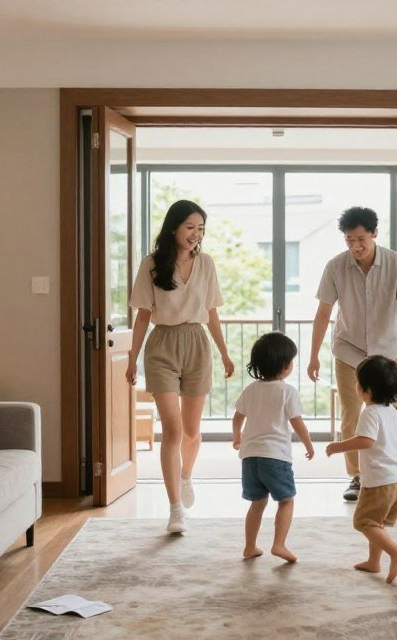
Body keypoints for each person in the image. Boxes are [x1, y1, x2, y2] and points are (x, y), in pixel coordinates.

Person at [127, 200, 235, 534]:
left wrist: (225, 353)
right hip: (161, 347)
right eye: (190, 227)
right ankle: (175, 509)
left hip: (197, 344)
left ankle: (186, 475)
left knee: (191, 431)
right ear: (174, 227)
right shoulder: (151, 264)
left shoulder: (206, 264)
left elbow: (212, 313)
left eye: (200, 228)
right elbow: (143, 314)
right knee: (172, 431)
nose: (196, 234)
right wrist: (132, 358)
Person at [307, 206, 397, 502]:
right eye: (349, 240)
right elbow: (323, 312)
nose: (355, 246)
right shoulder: (336, 266)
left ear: (374, 234)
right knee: (351, 413)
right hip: (349, 350)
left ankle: (388, 472)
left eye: (360, 240)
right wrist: (314, 355)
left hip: (384, 353)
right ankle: (357, 477)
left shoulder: (396, 264)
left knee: (385, 413)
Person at [325, 355, 397, 584]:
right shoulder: (391, 411)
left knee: (363, 522)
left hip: (380, 482)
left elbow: (366, 441)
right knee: (377, 523)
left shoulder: (369, 413)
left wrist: (338, 446)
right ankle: (374, 562)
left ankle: (396, 553)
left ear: (367, 390)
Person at [232, 332, 314, 563]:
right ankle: (279, 544)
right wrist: (308, 444)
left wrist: (237, 437)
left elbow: (237, 417)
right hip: (275, 458)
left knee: (257, 503)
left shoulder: (251, 390)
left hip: (250, 458)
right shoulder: (287, 391)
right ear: (286, 366)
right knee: (286, 500)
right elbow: (297, 423)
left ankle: (249, 547)